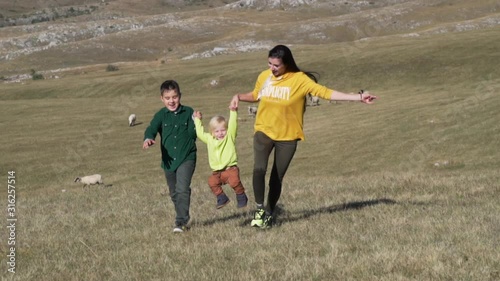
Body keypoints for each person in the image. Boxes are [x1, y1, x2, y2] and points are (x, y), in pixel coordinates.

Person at [229, 45, 377, 229]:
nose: (271, 68)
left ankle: (268, 213)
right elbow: (255, 95)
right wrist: (238, 96)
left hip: (288, 136)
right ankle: (259, 209)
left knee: (277, 177)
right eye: (269, 63)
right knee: (259, 169)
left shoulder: (300, 80)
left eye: (276, 65)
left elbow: (325, 92)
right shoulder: (264, 76)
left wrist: (358, 97)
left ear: (286, 64)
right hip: (264, 130)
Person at [143, 80, 197, 233]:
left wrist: (197, 121)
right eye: (167, 98)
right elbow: (151, 128)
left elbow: (194, 135)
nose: (171, 101)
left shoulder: (188, 112)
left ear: (180, 96)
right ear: (162, 98)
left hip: (187, 157)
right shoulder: (161, 115)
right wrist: (148, 138)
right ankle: (183, 211)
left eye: (174, 97)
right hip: (168, 161)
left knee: (182, 189)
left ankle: (180, 222)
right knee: (174, 192)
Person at [193, 108, 248, 209]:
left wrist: (233, 111)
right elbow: (200, 133)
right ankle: (222, 197)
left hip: (230, 168)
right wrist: (197, 120)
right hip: (217, 172)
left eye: (223, 130)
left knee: (235, 182)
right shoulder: (209, 139)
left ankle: (241, 195)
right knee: (212, 182)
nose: (220, 133)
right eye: (217, 131)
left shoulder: (229, 136)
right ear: (212, 132)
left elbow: (232, 124)